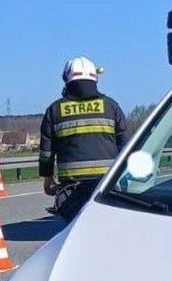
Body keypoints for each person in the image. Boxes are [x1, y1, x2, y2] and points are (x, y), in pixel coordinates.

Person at [39, 56, 129, 222]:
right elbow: (125, 144)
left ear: (67, 79)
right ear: (95, 78)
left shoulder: (54, 110)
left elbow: (47, 150)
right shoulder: (111, 106)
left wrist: (47, 177)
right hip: (106, 183)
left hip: (70, 189)